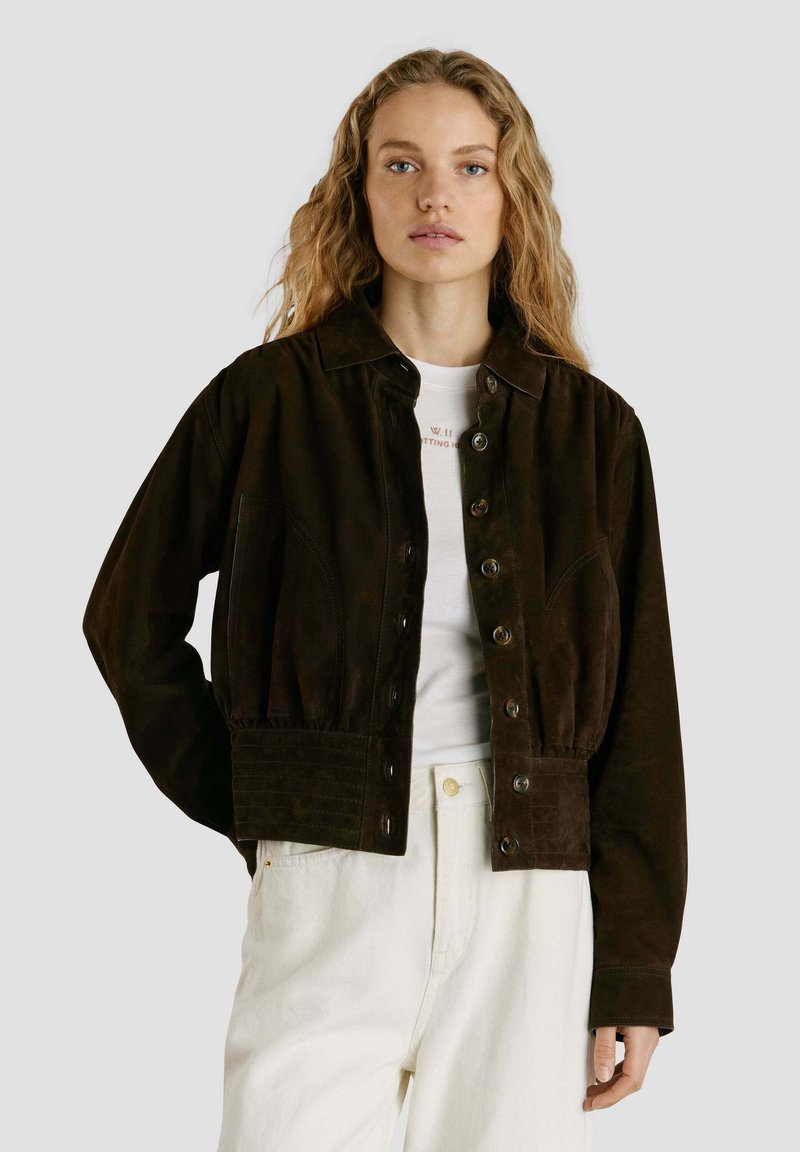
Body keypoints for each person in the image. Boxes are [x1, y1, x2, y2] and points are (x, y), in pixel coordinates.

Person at [82, 48, 688, 1152]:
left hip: (531, 896)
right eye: (400, 164)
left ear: (510, 197)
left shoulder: (591, 430)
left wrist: (636, 967)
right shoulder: (266, 402)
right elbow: (127, 621)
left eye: (469, 167)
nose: (433, 195)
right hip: (330, 886)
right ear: (359, 193)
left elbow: (641, 707)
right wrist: (263, 797)